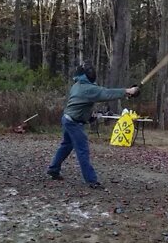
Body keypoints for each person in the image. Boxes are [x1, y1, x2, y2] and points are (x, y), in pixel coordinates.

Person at [47, 61, 139, 189]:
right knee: (82, 150)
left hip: (68, 118)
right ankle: (91, 180)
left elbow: (82, 103)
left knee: (66, 145)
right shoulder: (87, 88)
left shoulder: (78, 85)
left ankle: (53, 169)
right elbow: (106, 93)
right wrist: (127, 91)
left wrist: (90, 117)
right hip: (74, 122)